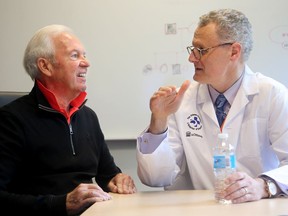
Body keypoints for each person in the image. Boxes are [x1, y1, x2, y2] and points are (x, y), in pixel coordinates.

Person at [136, 9, 288, 204]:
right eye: (192, 50)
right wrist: (158, 120)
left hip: (258, 208)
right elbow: (155, 178)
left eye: (201, 50)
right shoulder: (182, 100)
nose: (192, 58)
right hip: (204, 209)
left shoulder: (272, 94)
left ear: (234, 51)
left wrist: (263, 186)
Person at [0, 24, 136, 215]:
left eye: (84, 55)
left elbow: (108, 175)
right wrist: (61, 204)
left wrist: (118, 179)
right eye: (75, 56)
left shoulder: (88, 116)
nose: (86, 63)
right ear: (45, 66)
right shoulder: (11, 120)